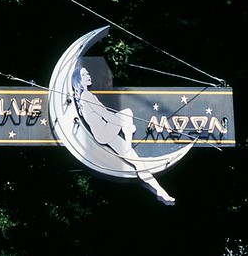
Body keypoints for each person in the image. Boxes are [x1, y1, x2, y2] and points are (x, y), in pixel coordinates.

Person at [72, 66, 176, 205]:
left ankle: (158, 191)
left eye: (88, 73)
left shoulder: (83, 97)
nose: (89, 75)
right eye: (85, 74)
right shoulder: (86, 95)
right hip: (104, 131)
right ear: (79, 80)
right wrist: (126, 125)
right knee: (127, 113)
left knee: (136, 162)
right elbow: (105, 115)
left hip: (104, 133)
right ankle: (128, 145)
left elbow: (105, 114)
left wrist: (124, 123)